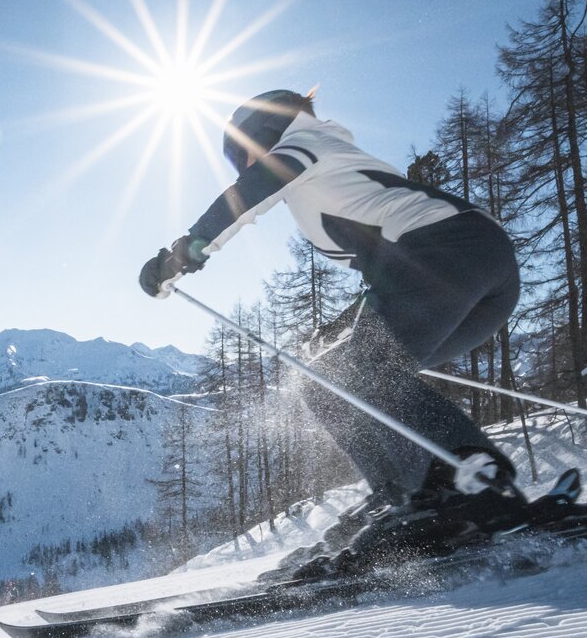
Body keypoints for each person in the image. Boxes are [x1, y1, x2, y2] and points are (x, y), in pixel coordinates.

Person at [139, 89, 531, 560]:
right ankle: (405, 494)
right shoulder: (330, 156)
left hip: (448, 252)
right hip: (476, 268)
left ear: (261, 131)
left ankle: (459, 487)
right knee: (330, 383)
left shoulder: (301, 146)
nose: (239, 165)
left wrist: (181, 256)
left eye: (237, 152)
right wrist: (342, 327)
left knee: (367, 375)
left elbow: (244, 197)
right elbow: (389, 265)